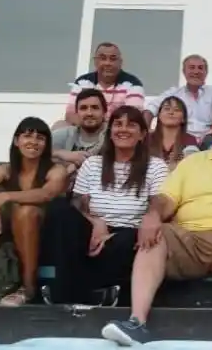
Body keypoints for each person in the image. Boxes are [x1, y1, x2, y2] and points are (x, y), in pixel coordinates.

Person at [101, 107, 212, 349]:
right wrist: (153, 215)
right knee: (156, 234)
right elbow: (166, 199)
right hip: (189, 242)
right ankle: (136, 323)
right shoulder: (191, 163)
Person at [48, 106, 169, 306]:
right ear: (110, 132)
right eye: (118, 124)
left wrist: (148, 219)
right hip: (93, 228)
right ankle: (72, 292)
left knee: (130, 240)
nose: (123, 129)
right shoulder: (92, 164)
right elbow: (78, 202)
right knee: (59, 210)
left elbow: (158, 201)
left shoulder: (155, 166)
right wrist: (95, 222)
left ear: (142, 134)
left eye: (131, 125)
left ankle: (85, 291)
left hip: (129, 232)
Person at [0, 117, 68, 306]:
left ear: (46, 145)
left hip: (44, 230)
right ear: (16, 141)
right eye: (28, 136)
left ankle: (27, 288)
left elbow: (46, 194)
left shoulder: (56, 170)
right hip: (8, 229)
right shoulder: (5, 169)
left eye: (40, 138)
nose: (33, 142)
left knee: (25, 212)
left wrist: (5, 197)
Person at [144, 54, 212, 142]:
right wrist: (145, 132)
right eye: (192, 67)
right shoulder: (174, 93)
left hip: (208, 138)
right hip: (180, 139)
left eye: (200, 68)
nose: (196, 71)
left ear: (206, 72)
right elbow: (150, 109)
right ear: (184, 72)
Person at [60, 42, 144, 127]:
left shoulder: (132, 84)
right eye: (103, 58)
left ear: (120, 62)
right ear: (95, 61)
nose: (107, 63)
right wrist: (91, 128)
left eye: (113, 59)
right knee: (59, 125)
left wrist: (102, 128)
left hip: (116, 130)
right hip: (86, 128)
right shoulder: (82, 82)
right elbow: (70, 115)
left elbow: (132, 117)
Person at [53, 89, 108, 177]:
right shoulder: (65, 133)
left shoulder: (113, 136)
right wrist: (62, 153)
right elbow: (35, 149)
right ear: (76, 113)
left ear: (104, 112)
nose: (89, 113)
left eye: (95, 108)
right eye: (83, 108)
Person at [147, 96, 198, 169]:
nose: (171, 112)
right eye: (167, 109)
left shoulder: (190, 140)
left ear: (183, 118)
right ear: (159, 115)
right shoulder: (148, 138)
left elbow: (193, 167)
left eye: (176, 110)